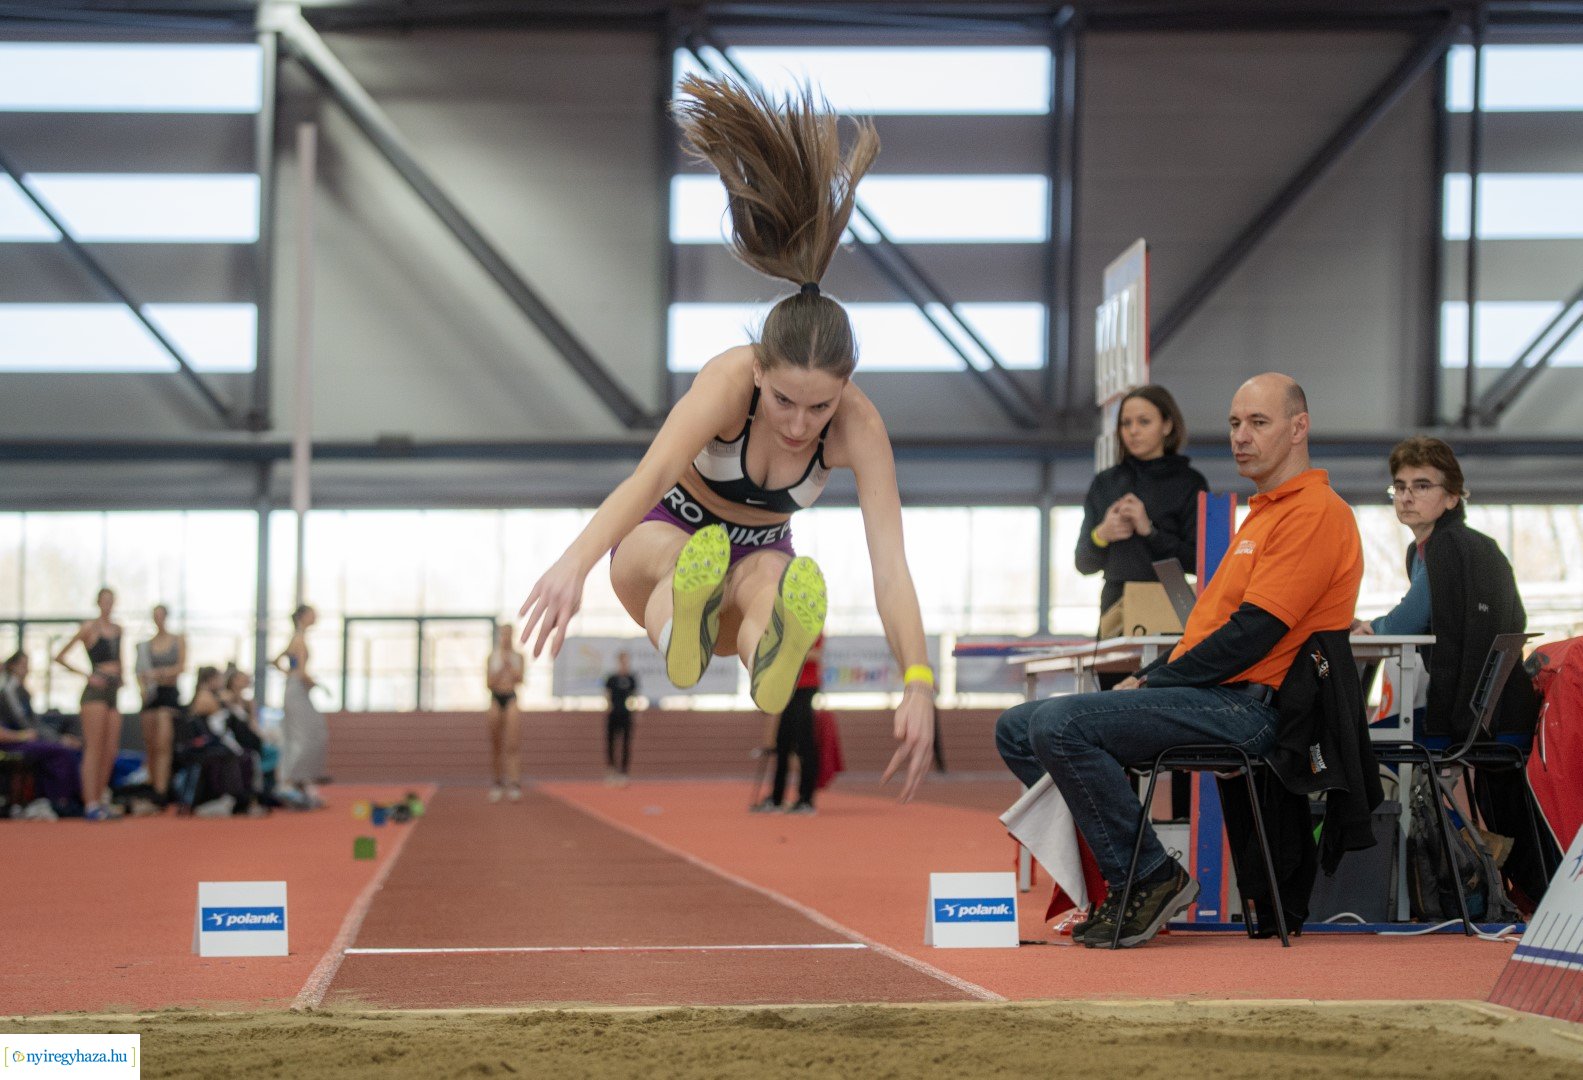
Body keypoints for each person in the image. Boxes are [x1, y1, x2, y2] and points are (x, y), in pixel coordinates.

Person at [518, 75, 934, 800]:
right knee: (680, 555)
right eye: (782, 401)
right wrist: (572, 563)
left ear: (844, 389)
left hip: (757, 552)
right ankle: (682, 617)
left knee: (770, 583)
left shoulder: (859, 426)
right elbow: (648, 481)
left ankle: (766, 666)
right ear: (759, 370)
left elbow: (890, 566)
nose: (799, 424)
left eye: (818, 409)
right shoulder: (726, 379)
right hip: (659, 538)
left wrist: (919, 679)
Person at [996, 374, 1363, 949]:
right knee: (1017, 728)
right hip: (1214, 693)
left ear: (1299, 427)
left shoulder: (1314, 511)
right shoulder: (1261, 514)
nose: (1241, 437)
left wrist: (1151, 679)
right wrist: (1160, 671)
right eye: (1236, 423)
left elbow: (1253, 636)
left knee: (1057, 723)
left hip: (1252, 708)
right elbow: (1207, 630)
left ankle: (1149, 876)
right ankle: (1120, 876)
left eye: (1258, 423)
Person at [1353, 435, 1547, 903]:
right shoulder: (1456, 546)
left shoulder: (1444, 546)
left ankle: (1395, 892)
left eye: (1422, 486)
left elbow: (1407, 621)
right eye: (1399, 486)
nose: (1406, 496)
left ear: (1452, 496)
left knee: (1364, 743)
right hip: (1498, 709)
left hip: (1471, 717)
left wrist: (1367, 627)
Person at [1076, 384, 1209, 621]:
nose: (1133, 431)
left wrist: (1150, 532)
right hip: (1115, 607)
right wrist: (1102, 534)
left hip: (1170, 603)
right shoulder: (1105, 483)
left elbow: (1200, 562)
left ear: (1167, 425)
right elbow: (1083, 563)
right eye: (1126, 423)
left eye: (1144, 422)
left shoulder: (1190, 483)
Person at [53, 587, 126, 821]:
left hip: (113, 691)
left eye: (111, 601)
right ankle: (90, 803)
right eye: (105, 601)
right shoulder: (89, 628)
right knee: (93, 747)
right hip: (95, 691)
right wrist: (87, 675)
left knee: (110, 749)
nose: (108, 605)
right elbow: (60, 656)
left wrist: (122, 678)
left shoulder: (118, 629)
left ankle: (101, 798)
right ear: (98, 603)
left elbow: (120, 659)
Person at [1, 650, 83, 818]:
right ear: (11, 666)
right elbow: (24, 724)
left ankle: (70, 800)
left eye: (28, 664)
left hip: (27, 738)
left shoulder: (21, 689)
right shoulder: (8, 688)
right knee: (61, 752)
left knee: (69, 750)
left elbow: (34, 724)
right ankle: (59, 802)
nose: (27, 669)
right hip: (15, 742)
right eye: (23, 665)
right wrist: (57, 740)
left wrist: (59, 738)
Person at [753, 632, 822, 814]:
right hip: (788, 687)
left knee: (805, 745)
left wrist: (792, 651)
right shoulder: (785, 627)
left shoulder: (813, 628)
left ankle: (806, 800)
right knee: (782, 744)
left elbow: (816, 654)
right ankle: (776, 799)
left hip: (805, 688)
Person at [273, 603, 327, 809]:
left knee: (309, 733)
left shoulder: (296, 637)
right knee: (305, 737)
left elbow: (278, 661)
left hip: (295, 690)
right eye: (313, 613)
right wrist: (311, 682)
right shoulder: (299, 638)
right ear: (303, 616)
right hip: (297, 691)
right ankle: (289, 782)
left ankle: (301, 782)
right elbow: (300, 672)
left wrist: (291, 676)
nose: (316, 616)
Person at [135, 604, 186, 808]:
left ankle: (161, 792)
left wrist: (157, 674)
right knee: (150, 745)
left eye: (161, 616)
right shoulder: (145, 646)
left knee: (163, 744)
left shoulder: (177, 639)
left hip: (168, 696)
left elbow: (181, 667)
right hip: (150, 697)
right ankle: (152, 787)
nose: (159, 619)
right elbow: (139, 673)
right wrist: (143, 687)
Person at [486, 623, 525, 802]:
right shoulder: (492, 657)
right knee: (496, 743)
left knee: (513, 743)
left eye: (509, 634)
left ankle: (514, 783)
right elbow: (489, 683)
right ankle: (497, 782)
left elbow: (520, 679)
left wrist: (509, 665)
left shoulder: (518, 656)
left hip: (511, 697)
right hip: (496, 697)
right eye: (503, 634)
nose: (506, 637)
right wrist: (501, 666)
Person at [603, 651, 638, 784]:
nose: (624, 663)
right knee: (611, 743)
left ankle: (624, 772)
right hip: (613, 714)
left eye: (626, 660)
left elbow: (634, 697)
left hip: (626, 715)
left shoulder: (631, 679)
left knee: (626, 743)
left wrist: (634, 710)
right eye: (622, 660)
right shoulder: (612, 679)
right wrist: (608, 707)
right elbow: (606, 694)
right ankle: (611, 770)